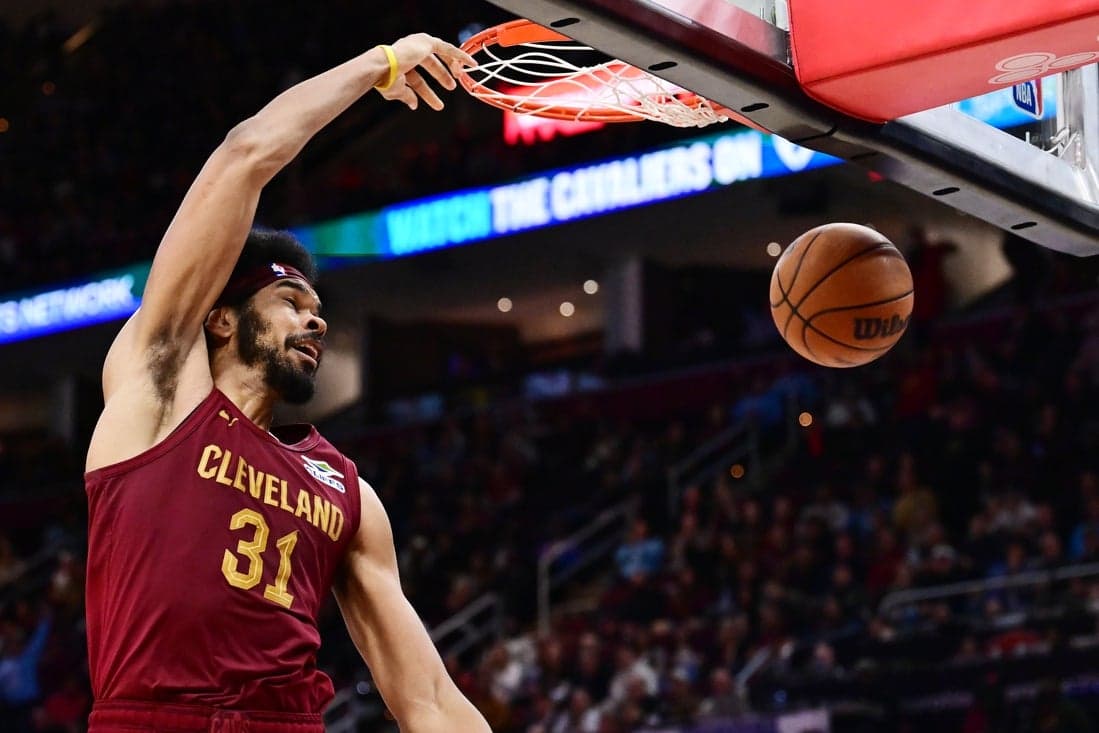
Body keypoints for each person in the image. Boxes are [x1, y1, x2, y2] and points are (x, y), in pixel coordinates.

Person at [82, 33, 491, 732]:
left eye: (319, 311)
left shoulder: (344, 489)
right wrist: (377, 65)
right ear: (218, 321)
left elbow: (425, 696)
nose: (316, 322)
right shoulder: (158, 393)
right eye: (291, 304)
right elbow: (244, 156)